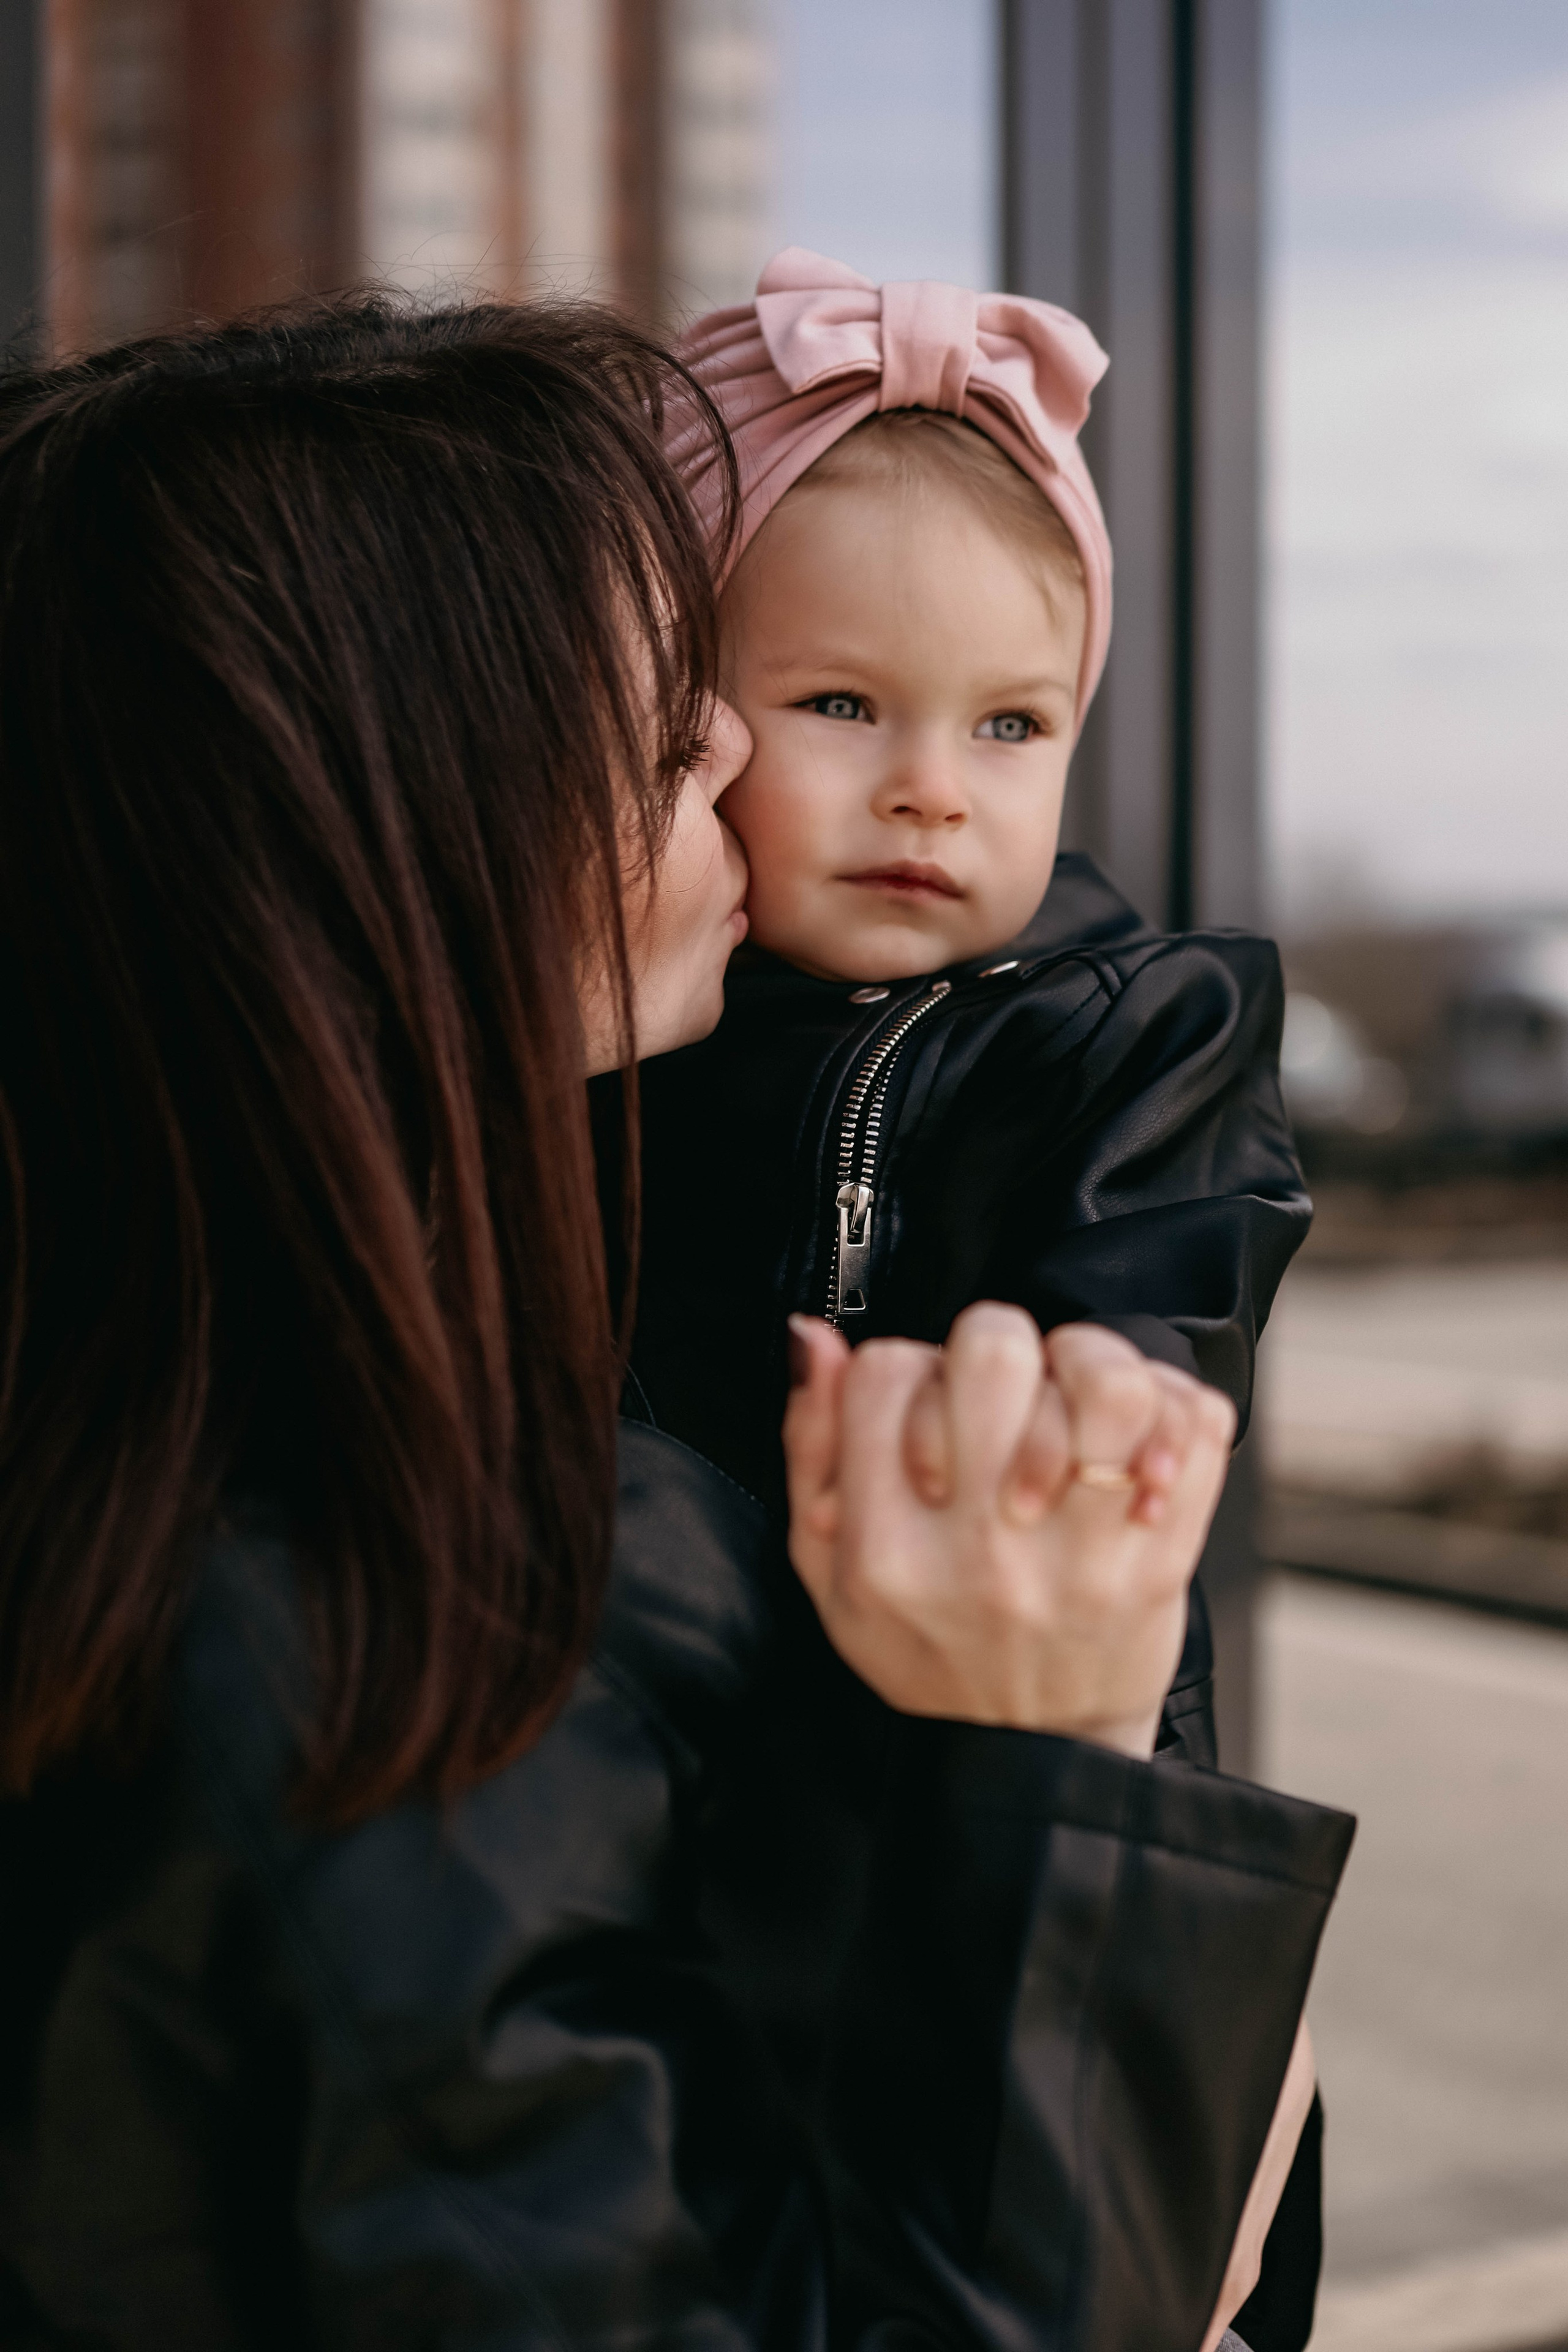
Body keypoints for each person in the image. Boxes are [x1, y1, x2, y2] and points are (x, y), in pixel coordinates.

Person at [0, 293, 1351, 2352]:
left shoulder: (169, 1434)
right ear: (401, 842)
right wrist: (1074, 1805)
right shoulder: (417, 1626)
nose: (735, 760)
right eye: (663, 716)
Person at [630, 248, 1327, 2346]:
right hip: (708, 1743)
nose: (936, 785)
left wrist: (1077, 1403)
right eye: (841, 705)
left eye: (1011, 725)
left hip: (1028, 1699)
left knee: (1116, 2216)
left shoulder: (1128, 1026)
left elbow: (1160, 1314)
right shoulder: (640, 1021)